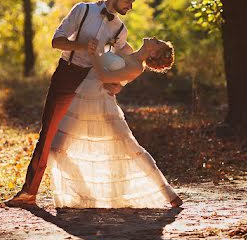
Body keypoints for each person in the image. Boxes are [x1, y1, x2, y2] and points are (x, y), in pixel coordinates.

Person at [4, 0, 138, 208]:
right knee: (49, 134)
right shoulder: (82, 10)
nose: (130, 7)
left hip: (94, 82)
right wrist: (82, 46)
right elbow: (57, 41)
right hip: (67, 75)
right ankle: (29, 193)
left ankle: (99, 195)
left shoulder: (120, 29)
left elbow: (119, 60)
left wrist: (120, 83)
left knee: (101, 139)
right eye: (128, 0)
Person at [46, 37, 182, 208]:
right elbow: (111, 49)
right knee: (56, 149)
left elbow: (104, 75)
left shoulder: (137, 67)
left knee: (130, 147)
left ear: (153, 53)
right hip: (82, 96)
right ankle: (85, 194)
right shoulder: (127, 49)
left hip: (102, 101)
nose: (154, 38)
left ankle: (168, 193)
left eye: (157, 43)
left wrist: (93, 53)